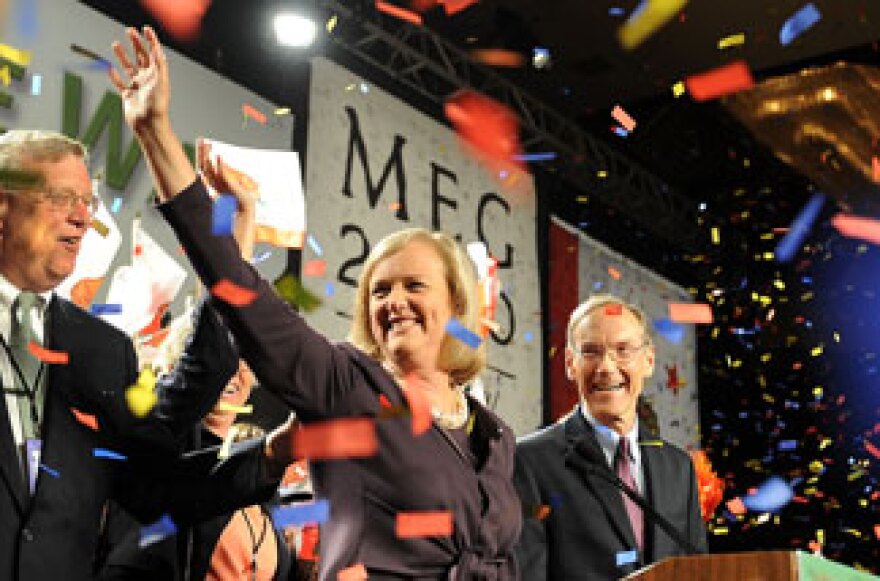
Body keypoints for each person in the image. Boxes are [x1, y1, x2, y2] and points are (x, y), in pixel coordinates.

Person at [109, 25, 521, 580]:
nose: (394, 301)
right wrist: (156, 132)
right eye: (379, 290)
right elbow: (237, 286)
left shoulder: (495, 436)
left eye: (412, 286)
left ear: (455, 302)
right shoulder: (345, 384)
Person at [0, 128, 290, 580]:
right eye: (61, 197)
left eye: (88, 204)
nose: (82, 218)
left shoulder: (98, 349)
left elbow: (152, 486)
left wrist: (272, 454)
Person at [514, 294, 707, 580]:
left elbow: (698, 571)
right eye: (591, 351)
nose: (606, 367)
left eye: (623, 350)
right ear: (570, 363)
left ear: (649, 361)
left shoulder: (678, 467)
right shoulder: (530, 461)